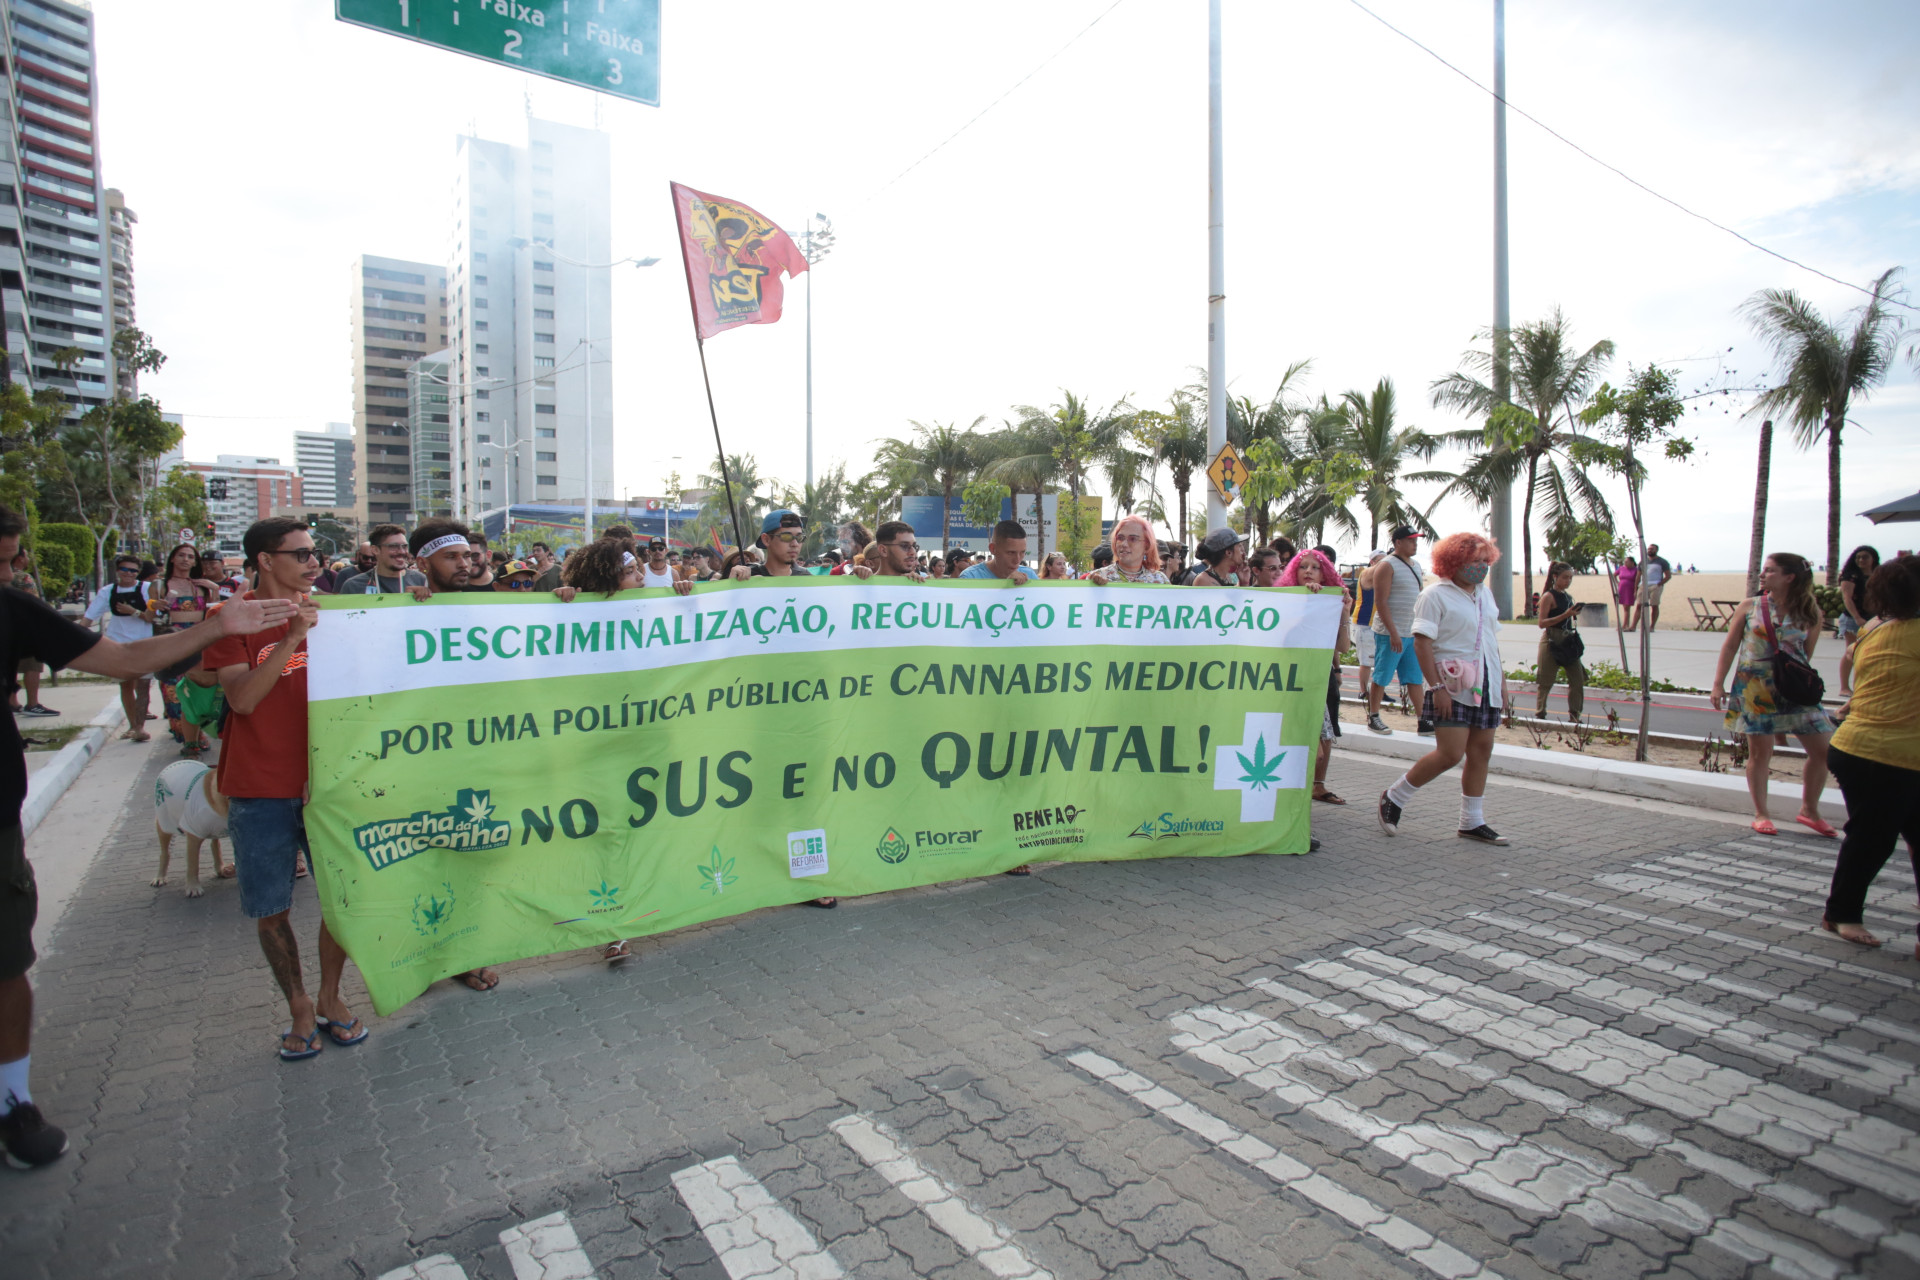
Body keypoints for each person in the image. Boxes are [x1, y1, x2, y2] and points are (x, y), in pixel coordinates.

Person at [0, 505, 298, 1167]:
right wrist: (234, 635)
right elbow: (241, 699)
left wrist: (218, 623)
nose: (11, 571)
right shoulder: (242, 628)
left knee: (5, 961)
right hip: (259, 786)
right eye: (2, 560)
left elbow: (123, 659)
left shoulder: (12, 609)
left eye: (10, 559)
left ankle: (12, 1099)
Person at [205, 517, 379, 1062]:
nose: (313, 562)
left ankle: (330, 993)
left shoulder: (340, 613)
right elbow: (243, 700)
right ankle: (299, 1005)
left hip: (326, 789)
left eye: (315, 553)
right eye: (301, 553)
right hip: (258, 791)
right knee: (271, 908)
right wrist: (294, 637)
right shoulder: (226, 619)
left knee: (343, 899)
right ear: (264, 560)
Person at [1376, 531, 1510, 846]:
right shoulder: (1435, 596)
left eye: (1483, 560)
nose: (1480, 567)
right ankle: (1395, 796)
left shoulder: (1485, 596)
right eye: (1472, 561)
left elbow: (1491, 640)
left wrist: (1501, 683)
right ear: (1453, 562)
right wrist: (1436, 688)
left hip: (1485, 684)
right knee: (1450, 753)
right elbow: (1422, 643)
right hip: (1451, 685)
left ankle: (1471, 821)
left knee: (1481, 751)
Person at [1819, 561, 1920, 950]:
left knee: (1878, 836)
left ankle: (1840, 911)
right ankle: (1840, 913)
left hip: (1861, 748)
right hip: (1883, 755)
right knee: (1872, 839)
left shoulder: (1874, 627)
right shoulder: (1907, 633)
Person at [1710, 551, 1835, 838]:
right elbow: (1730, 647)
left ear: (1789, 577)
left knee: (1823, 751)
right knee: (1760, 753)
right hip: (1755, 687)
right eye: (1763, 570)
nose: (1762, 575)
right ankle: (1761, 813)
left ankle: (1809, 809)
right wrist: (1718, 684)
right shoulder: (1749, 606)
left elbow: (1807, 654)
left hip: (1794, 689)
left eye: (1770, 571)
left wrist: (1792, 678)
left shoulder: (1810, 610)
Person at [1278, 549, 1352, 805]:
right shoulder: (1284, 602)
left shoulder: (1328, 602)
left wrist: (1342, 613)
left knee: (1320, 746)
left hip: (1317, 682)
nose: (1308, 571)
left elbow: (1342, 647)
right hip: (1287, 683)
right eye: (1303, 566)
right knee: (1309, 752)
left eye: (1315, 567)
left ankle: (1309, 795)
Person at [154, 543, 223, 756]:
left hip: (198, 641)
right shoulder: (160, 585)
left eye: (191, 557)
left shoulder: (202, 585)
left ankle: (195, 735)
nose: (186, 560)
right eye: (181, 555)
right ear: (172, 558)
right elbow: (149, 616)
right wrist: (152, 606)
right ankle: (186, 736)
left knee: (195, 690)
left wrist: (214, 590)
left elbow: (214, 614)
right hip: (172, 639)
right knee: (172, 690)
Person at [85, 555, 158, 742]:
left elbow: (152, 616)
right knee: (125, 685)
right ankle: (133, 726)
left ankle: (140, 726)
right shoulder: (108, 591)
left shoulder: (146, 589)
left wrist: (132, 611)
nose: (128, 574)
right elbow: (90, 616)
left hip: (144, 643)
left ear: (138, 573)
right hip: (118, 645)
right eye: (125, 569)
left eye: (133, 570)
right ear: (117, 570)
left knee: (143, 687)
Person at [1365, 525, 1428, 736]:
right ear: (1398, 542)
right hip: (1389, 632)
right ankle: (1374, 715)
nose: (1415, 543)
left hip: (1411, 631)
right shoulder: (1387, 565)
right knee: (1382, 674)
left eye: (1416, 540)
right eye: (1410, 540)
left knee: (1414, 677)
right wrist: (1392, 632)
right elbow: (1380, 602)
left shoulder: (1417, 566)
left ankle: (1423, 719)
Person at [1534, 561, 1585, 722]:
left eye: (1570, 578)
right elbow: (1542, 623)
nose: (1567, 581)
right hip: (1551, 639)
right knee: (1546, 680)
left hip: (1568, 639)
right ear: (1555, 577)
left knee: (1578, 679)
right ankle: (1540, 713)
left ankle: (1575, 715)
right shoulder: (1548, 596)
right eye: (1564, 578)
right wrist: (1566, 614)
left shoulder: (1567, 597)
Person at [8, 553, 54, 720]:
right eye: (26, 554)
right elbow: (31, 602)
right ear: (19, 558)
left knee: (9, 666)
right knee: (32, 666)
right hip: (24, 629)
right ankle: (32, 704)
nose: (28, 558)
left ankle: (12, 702)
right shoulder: (23, 577)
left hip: (5, 629)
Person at [1836, 545, 1881, 694]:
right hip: (1853, 618)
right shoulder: (1850, 575)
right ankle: (1844, 687)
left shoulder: (1878, 574)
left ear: (1873, 558)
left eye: (1865, 557)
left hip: (1873, 618)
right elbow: (1847, 598)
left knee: (1869, 653)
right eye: (1858, 557)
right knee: (1852, 652)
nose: (1861, 560)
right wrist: (1857, 617)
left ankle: (1863, 686)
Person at [333, 524, 424, 595]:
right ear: (375, 550)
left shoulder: (421, 580)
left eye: (404, 546)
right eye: (393, 546)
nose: (401, 552)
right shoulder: (354, 586)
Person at [1086, 515, 1168, 585]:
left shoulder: (1160, 580)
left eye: (1133, 539)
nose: (1124, 544)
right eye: (1120, 538)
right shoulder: (1098, 576)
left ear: (1147, 546)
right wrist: (1094, 587)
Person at [730, 510, 809, 581]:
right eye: (786, 537)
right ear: (766, 540)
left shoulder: (806, 579)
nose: (795, 544)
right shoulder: (747, 577)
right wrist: (732, 585)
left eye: (800, 538)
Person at [959, 521, 1034, 584]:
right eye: (1011, 553)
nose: (1017, 560)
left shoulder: (1030, 575)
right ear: (993, 549)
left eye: (1022, 552)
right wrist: (1006, 585)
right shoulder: (970, 577)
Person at [1353, 550, 1385, 698]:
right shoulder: (1367, 573)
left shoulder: (1383, 576)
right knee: (1366, 661)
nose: (1385, 563)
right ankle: (1363, 691)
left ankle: (1379, 692)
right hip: (1364, 622)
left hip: (1379, 624)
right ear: (1372, 561)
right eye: (1381, 560)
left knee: (1380, 661)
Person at [1631, 543, 1674, 631]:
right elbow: (1638, 576)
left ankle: (1652, 626)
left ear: (1656, 550)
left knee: (1654, 605)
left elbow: (1668, 576)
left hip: (1655, 585)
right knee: (1639, 605)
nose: (1650, 550)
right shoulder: (1643, 561)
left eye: (1652, 549)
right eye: (1649, 549)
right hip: (1643, 585)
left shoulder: (1662, 562)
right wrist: (1635, 589)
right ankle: (1633, 626)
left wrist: (1659, 584)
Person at [1181, 528, 1246, 586]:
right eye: (1239, 546)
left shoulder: (1232, 577)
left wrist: (1244, 582)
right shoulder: (1204, 581)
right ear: (1228, 552)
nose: (1243, 550)